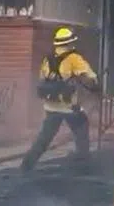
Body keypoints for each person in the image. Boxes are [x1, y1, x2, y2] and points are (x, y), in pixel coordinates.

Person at [21, 26, 100, 172]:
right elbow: (91, 78)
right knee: (82, 131)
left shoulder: (47, 59)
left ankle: (26, 165)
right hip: (69, 107)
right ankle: (83, 166)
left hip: (51, 106)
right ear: (70, 43)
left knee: (44, 139)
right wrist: (94, 87)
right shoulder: (74, 58)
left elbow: (43, 80)